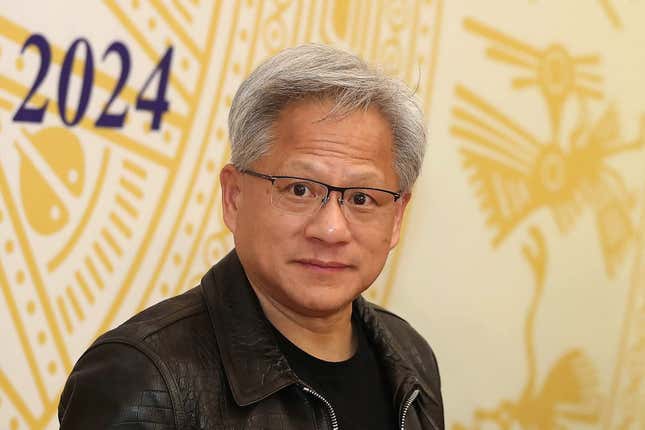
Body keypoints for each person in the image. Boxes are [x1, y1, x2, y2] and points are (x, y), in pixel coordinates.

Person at [58, 43, 444, 429]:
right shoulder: (143, 379)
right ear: (234, 197)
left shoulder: (410, 357)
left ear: (396, 218)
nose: (330, 229)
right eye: (299, 190)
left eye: (361, 198)